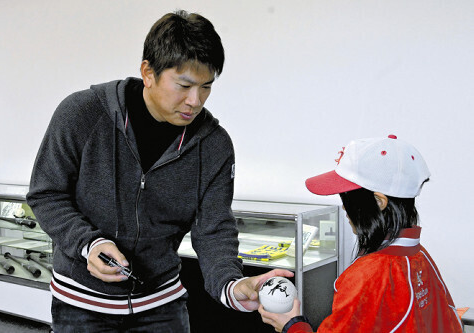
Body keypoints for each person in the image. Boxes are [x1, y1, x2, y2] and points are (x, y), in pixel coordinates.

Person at [27, 10, 291, 332]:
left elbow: (213, 229)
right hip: (81, 305)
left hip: (162, 304)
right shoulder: (81, 113)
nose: (195, 101)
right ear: (148, 72)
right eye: (184, 85)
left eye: (206, 87)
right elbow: (46, 193)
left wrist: (233, 285)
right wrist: (89, 244)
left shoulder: (215, 145)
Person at [259, 135, 463, 332]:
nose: (345, 209)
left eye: (348, 199)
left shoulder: (368, 275)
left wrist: (292, 325)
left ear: (378, 201)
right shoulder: (421, 257)